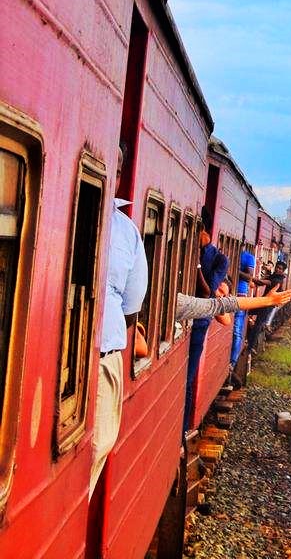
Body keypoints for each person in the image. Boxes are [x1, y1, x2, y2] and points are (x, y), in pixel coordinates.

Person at [92, 143, 148, 496]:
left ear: (119, 171)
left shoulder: (127, 231)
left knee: (97, 445)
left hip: (103, 359)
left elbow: (132, 305)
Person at [184, 219, 229, 432]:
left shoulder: (220, 259)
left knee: (188, 377)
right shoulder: (186, 246)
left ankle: (183, 428)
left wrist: (197, 265)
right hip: (181, 318)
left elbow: (208, 291)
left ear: (204, 231)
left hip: (199, 323)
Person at [175, 285, 291, 323]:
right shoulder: (178, 303)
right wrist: (268, 300)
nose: (221, 296)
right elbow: (223, 305)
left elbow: (223, 310)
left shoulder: (176, 302)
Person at [245, 259, 287, 352]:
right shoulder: (274, 276)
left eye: (280, 269)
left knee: (258, 324)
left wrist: (249, 277)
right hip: (264, 303)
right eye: (277, 267)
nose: (277, 269)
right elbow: (266, 279)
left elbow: (262, 282)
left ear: (282, 271)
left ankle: (250, 347)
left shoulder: (277, 280)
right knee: (249, 313)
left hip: (267, 305)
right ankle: (250, 344)